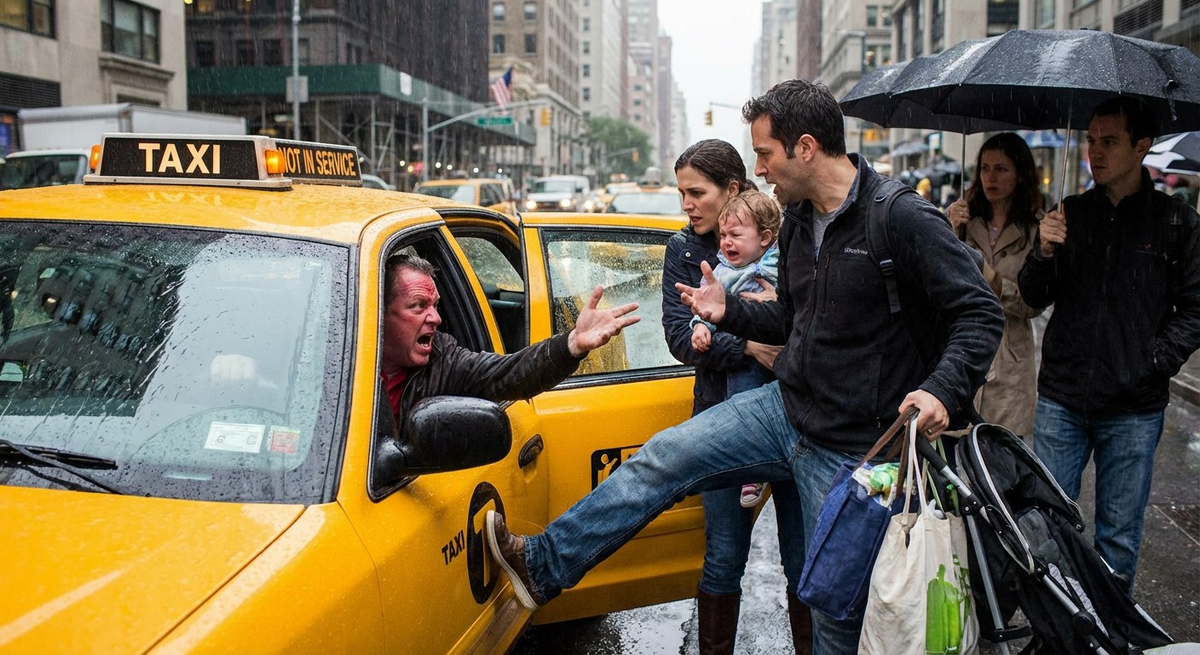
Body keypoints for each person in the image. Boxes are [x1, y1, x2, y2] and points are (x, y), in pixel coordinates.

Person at [486, 79, 1002, 654]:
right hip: (784, 410)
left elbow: (979, 315)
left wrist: (940, 390)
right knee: (663, 457)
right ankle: (542, 565)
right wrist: (728, 310)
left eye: (764, 154)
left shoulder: (901, 218)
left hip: (851, 452)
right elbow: (792, 319)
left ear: (805, 148)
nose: (759, 171)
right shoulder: (803, 220)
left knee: (832, 613)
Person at [1018, 96, 1200, 592]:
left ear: (1142, 147)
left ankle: (1108, 635)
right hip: (1062, 398)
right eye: (1092, 141)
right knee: (1047, 525)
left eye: (1110, 142)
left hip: (1134, 409)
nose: (1094, 153)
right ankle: (1055, 631)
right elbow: (1034, 296)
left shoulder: (1175, 221)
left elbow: (1196, 307)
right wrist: (1044, 250)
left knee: (1117, 538)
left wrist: (1156, 361)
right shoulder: (1070, 213)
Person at [668, 142, 809, 654]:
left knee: (805, 560)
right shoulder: (683, 252)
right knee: (724, 556)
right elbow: (681, 338)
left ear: (731, 190)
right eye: (681, 192)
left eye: (696, 192)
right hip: (719, 414)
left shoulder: (784, 240)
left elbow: (804, 324)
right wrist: (751, 341)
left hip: (796, 417)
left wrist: (762, 332)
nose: (686, 203)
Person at [379, 252, 639, 423]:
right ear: (379, 312)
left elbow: (509, 372)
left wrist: (571, 344)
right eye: (418, 306)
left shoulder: (443, 358)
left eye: (435, 305)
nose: (435, 318)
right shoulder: (344, 364)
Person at [945, 132, 1046, 436]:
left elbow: (1033, 303)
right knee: (950, 470)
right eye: (985, 168)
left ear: (1020, 175)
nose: (991, 177)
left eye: (1001, 169)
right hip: (960, 352)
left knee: (999, 472)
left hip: (1010, 366)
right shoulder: (963, 221)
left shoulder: (1036, 230)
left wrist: (992, 280)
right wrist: (949, 230)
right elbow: (937, 282)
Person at [690, 189, 781, 510]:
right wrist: (700, 327)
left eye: (736, 235)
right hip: (741, 365)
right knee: (739, 405)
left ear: (766, 238)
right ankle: (751, 468)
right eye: (723, 235)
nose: (727, 242)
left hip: (782, 369)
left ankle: (754, 469)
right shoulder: (721, 273)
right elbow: (703, 307)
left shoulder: (778, 267)